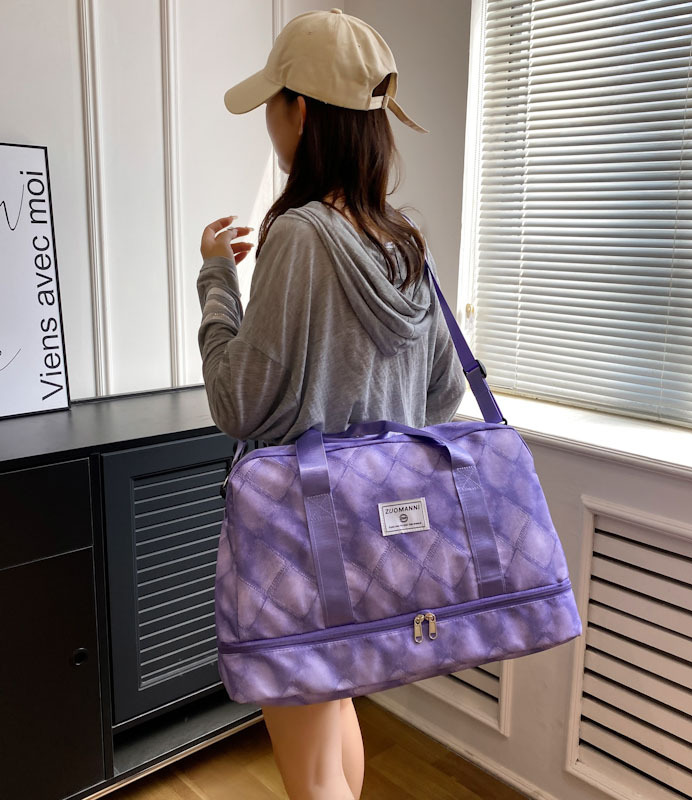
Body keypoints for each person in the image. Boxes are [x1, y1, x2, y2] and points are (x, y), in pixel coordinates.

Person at [195, 8, 466, 800]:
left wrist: (216, 278)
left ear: (303, 113)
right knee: (337, 712)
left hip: (298, 544)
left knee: (312, 774)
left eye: (274, 104)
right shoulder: (403, 242)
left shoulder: (301, 235)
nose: (269, 123)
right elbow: (445, 394)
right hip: (380, 540)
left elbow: (236, 401)